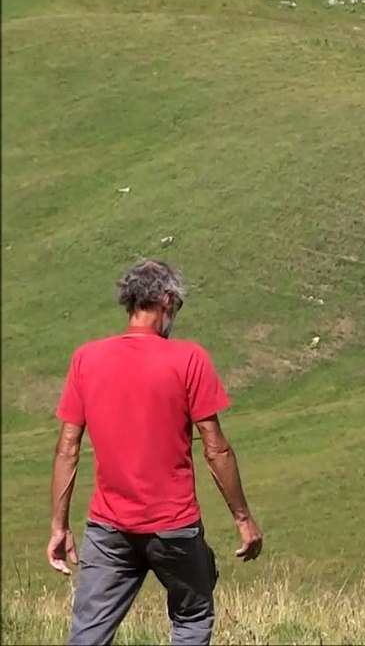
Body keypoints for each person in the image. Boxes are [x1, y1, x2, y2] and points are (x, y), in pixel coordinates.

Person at [47, 259, 264, 646]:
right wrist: (243, 519)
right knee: (193, 617)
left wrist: (59, 527)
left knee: (87, 634)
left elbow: (67, 449)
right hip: (174, 525)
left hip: (108, 527)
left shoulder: (87, 359)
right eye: (175, 307)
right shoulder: (188, 359)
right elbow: (216, 449)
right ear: (165, 300)